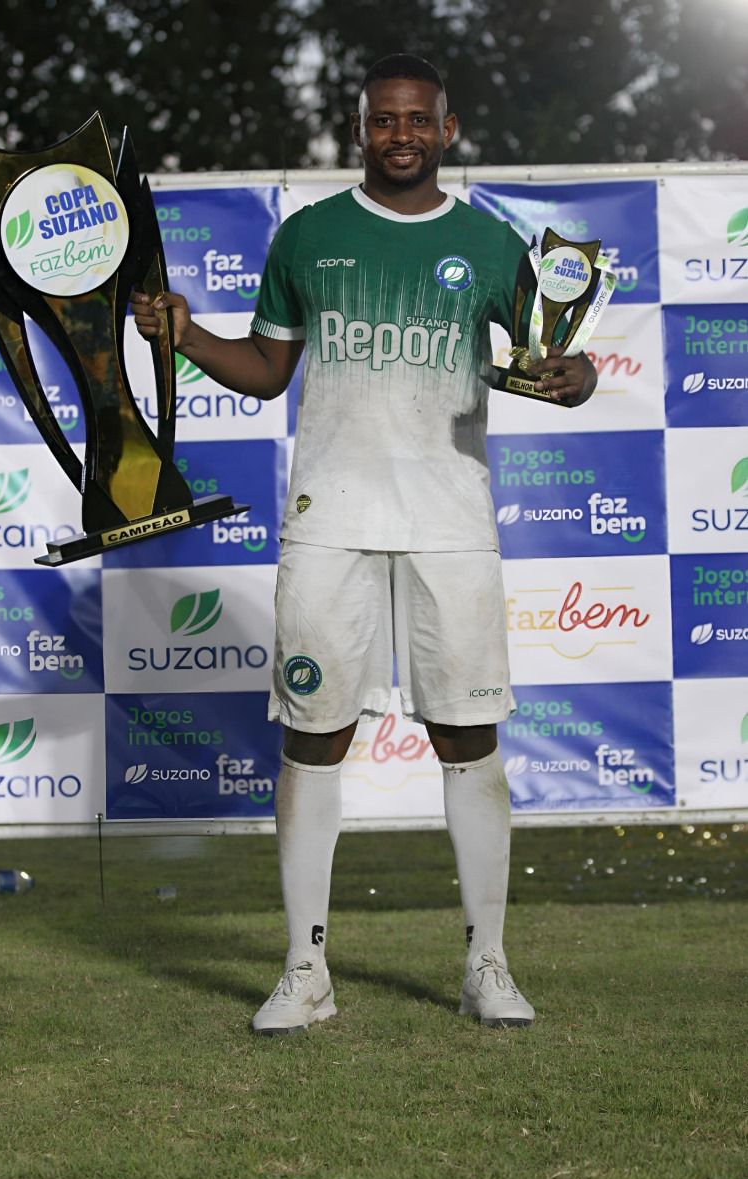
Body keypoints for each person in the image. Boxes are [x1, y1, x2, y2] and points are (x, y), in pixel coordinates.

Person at [132, 53, 597, 1035]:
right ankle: (305, 971)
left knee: (468, 735)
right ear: (359, 130)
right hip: (330, 517)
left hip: (448, 518)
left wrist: (580, 375)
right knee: (313, 734)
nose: (400, 135)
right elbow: (267, 369)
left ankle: (487, 963)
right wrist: (185, 335)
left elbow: (546, 359)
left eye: (417, 119)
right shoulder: (308, 235)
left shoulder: (491, 243)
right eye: (383, 120)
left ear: (447, 128)